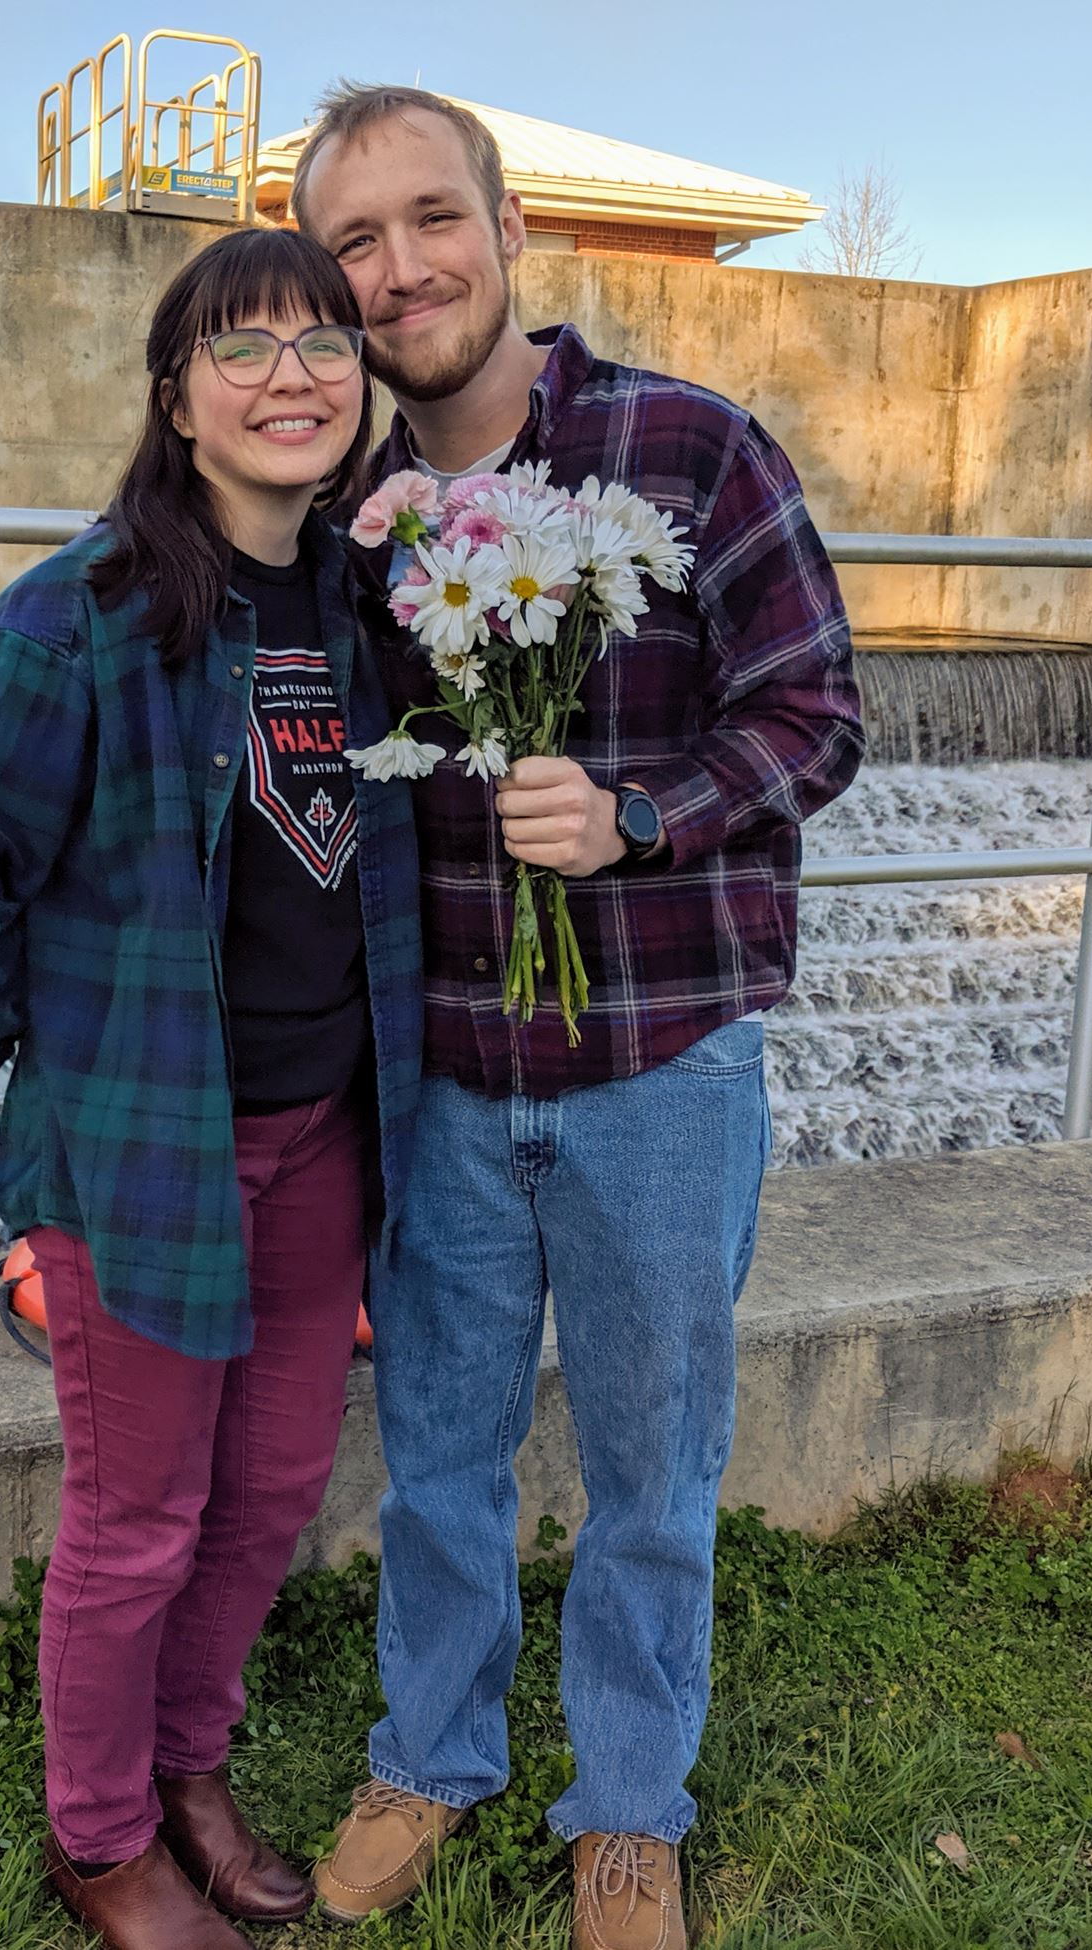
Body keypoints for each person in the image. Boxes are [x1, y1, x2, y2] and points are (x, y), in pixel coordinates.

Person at [286, 86, 866, 1950]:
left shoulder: (687, 450)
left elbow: (816, 716)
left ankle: (628, 1806)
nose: (401, 270)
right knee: (439, 1452)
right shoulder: (355, 517)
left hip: (660, 1068)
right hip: (448, 1076)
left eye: (430, 220)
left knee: (652, 1464)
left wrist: (639, 816)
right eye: (356, 244)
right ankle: (429, 1756)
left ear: (510, 225)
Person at [0, 227, 424, 1950]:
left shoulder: (373, 608)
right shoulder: (79, 619)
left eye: (323, 342)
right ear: (177, 398)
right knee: (139, 1517)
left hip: (327, 1127)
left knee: (268, 1490)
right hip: (141, 1145)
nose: (290, 378)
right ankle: (101, 1835)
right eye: (242, 349)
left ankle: (190, 1768)